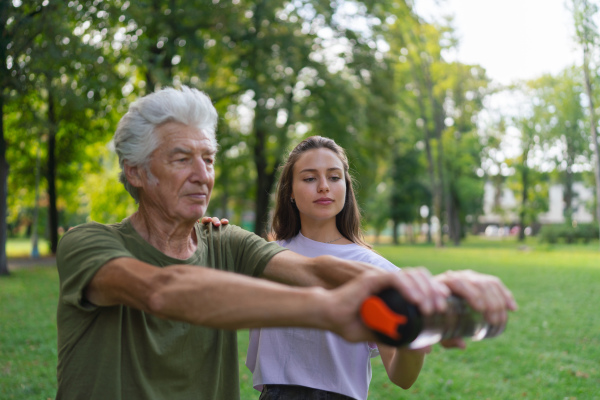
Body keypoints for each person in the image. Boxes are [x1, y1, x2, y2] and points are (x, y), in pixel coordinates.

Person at [55, 86, 515, 400]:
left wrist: (426, 287)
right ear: (135, 171)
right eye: (182, 159)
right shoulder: (87, 244)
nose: (203, 175)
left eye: (209, 159)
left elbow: (315, 270)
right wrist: (328, 310)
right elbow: (163, 292)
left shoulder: (225, 242)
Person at [244, 136, 516, 400]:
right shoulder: (266, 256)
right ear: (289, 190)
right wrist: (204, 228)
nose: (324, 186)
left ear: (346, 188)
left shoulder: (376, 270)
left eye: (334, 177)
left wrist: (416, 334)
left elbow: (402, 377)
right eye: (310, 178)